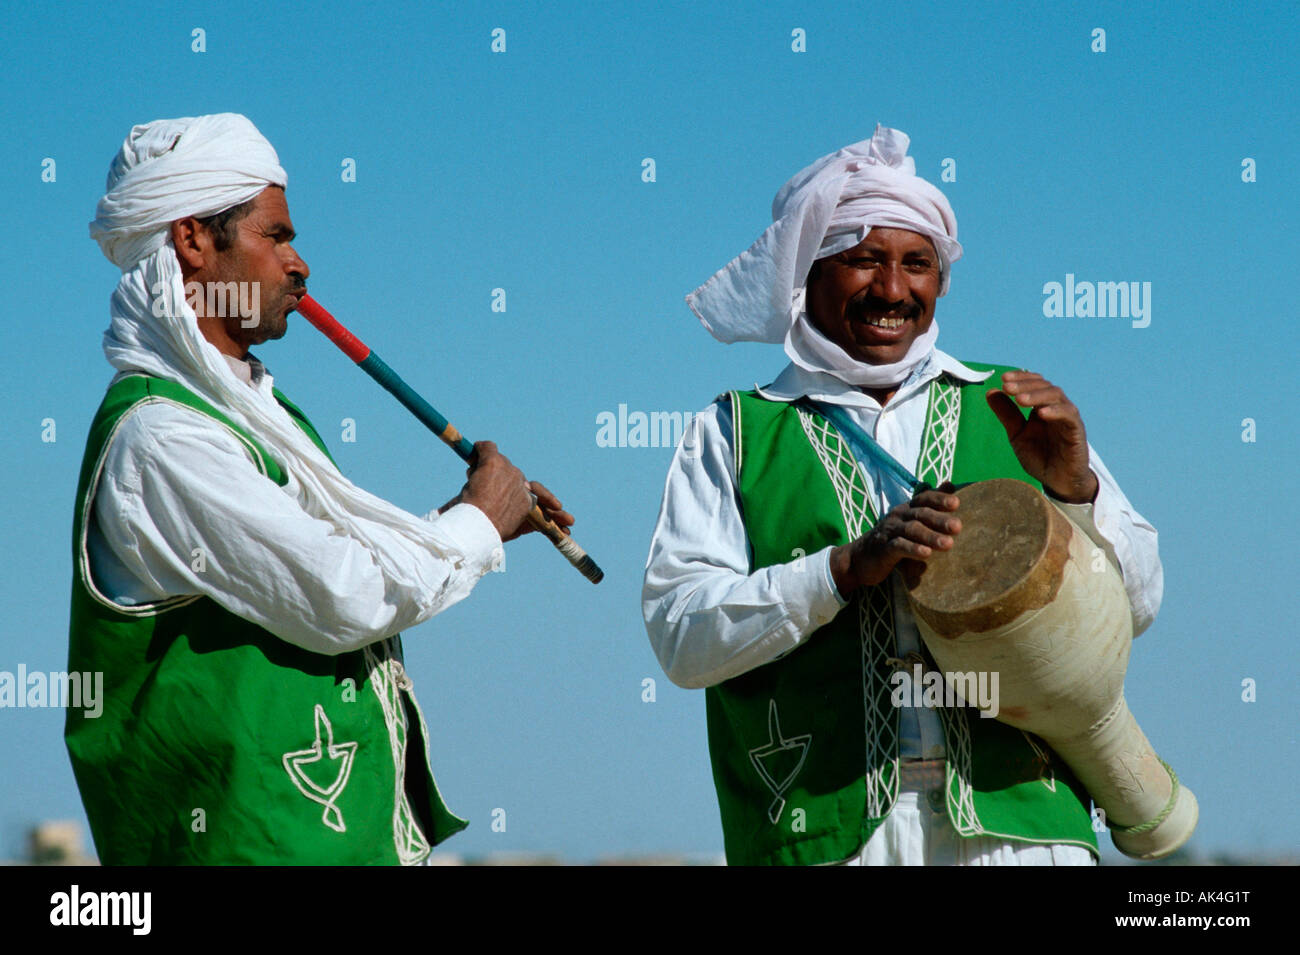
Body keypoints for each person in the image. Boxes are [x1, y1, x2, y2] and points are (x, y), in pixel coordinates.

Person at [642, 125, 1162, 866]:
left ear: (942, 280)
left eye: (917, 264)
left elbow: (1138, 608)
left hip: (1022, 834)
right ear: (805, 274)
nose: (892, 289)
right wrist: (841, 570)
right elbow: (681, 636)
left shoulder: (1013, 407)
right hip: (827, 838)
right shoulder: (736, 431)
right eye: (862, 260)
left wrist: (1075, 491)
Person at [67, 113, 571, 865]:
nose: (299, 266)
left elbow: (320, 563)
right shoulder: (163, 439)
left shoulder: (255, 414)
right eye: (276, 236)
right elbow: (343, 593)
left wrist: (469, 522)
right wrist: (473, 525)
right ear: (193, 240)